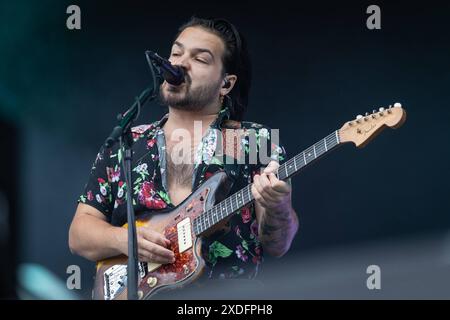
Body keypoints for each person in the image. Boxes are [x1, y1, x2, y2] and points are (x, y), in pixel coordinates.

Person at [69, 17, 299, 287]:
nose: (179, 63)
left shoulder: (252, 141)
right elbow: (79, 234)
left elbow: (278, 245)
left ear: (226, 84)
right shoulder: (127, 142)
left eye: (200, 59)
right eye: (176, 53)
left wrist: (278, 206)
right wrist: (125, 240)